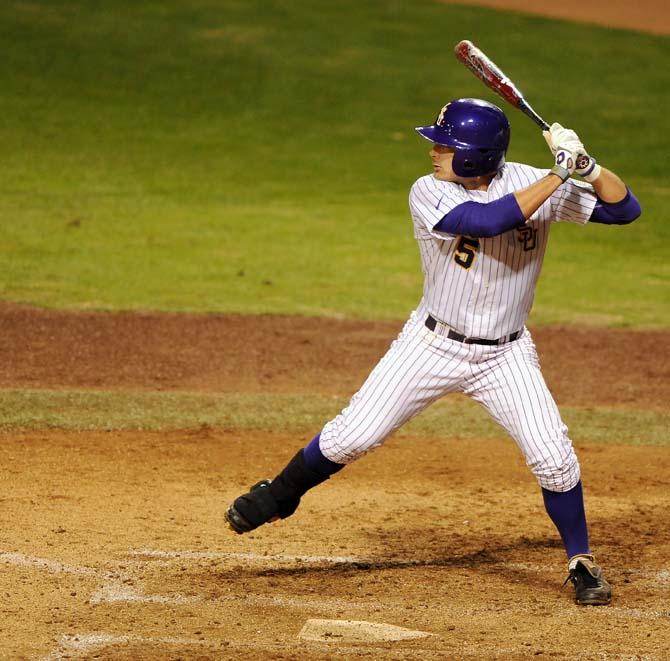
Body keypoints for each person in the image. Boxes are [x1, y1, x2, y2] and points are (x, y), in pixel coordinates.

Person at [224, 98, 641, 606]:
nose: (434, 151)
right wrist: (558, 177)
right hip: (431, 344)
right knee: (352, 436)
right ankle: (281, 495)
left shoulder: (533, 180)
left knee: (554, 458)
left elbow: (624, 210)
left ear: (477, 156)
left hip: (505, 356)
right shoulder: (430, 191)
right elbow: (486, 221)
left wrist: (590, 169)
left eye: (446, 145)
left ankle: (581, 561)